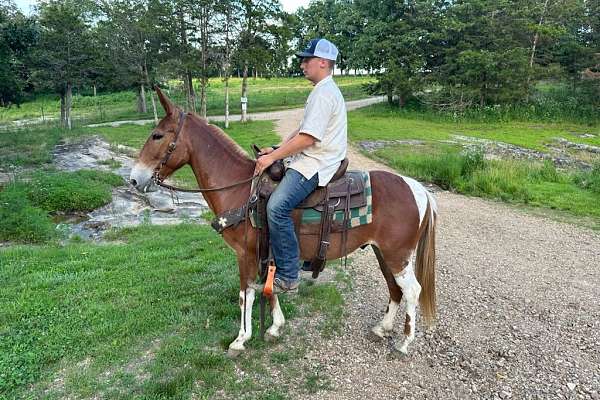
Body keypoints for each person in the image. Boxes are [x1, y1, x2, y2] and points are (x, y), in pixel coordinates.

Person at [253, 38, 348, 294]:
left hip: (317, 162)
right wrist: (278, 149)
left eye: (306, 60)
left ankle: (288, 275)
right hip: (313, 157)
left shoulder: (324, 93)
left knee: (276, 208)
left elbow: (308, 138)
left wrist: (272, 159)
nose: (302, 64)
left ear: (323, 62)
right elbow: (303, 129)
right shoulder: (322, 90)